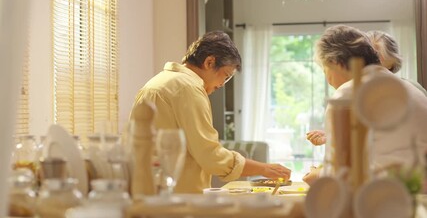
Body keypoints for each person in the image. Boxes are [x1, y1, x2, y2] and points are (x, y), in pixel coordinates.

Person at [130, 30, 291, 193]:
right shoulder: (188, 89)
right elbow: (209, 155)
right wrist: (263, 168)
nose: (222, 84)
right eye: (226, 76)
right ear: (209, 62)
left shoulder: (158, 82)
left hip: (148, 191)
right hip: (176, 198)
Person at [302, 25, 427, 185]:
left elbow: (340, 175)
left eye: (325, 70)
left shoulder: (346, 95)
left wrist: (318, 175)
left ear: (335, 63)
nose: (329, 81)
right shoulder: (412, 89)